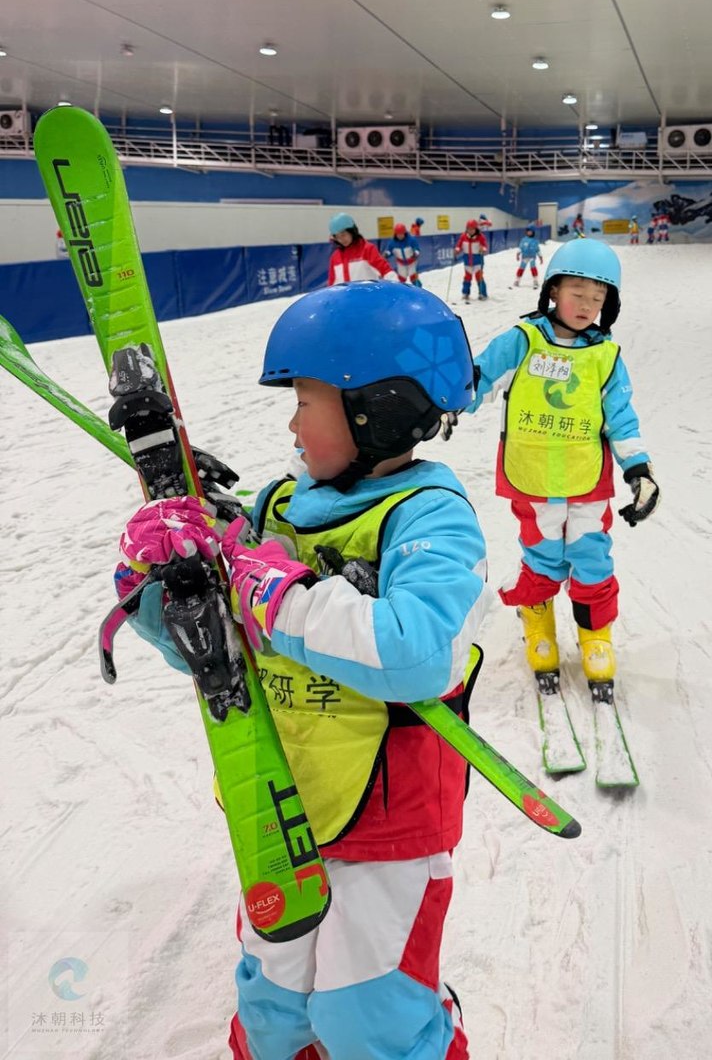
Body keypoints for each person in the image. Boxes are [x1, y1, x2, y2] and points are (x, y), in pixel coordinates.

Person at [111, 283, 490, 1060]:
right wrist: (160, 584)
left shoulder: (428, 516)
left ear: (377, 410)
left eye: (306, 403)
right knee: (275, 1004)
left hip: (387, 819)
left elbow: (420, 651)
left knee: (368, 1017)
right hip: (281, 800)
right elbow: (215, 642)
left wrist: (279, 596)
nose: (291, 424)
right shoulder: (278, 506)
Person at [459, 238, 659, 704]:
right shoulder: (523, 341)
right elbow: (478, 378)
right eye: (577, 293)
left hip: (586, 481)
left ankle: (595, 636)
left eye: (598, 297)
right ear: (552, 290)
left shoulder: (605, 357)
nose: (587, 305)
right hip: (533, 481)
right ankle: (538, 624)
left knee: (592, 560)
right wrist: (446, 406)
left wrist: (639, 470)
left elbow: (621, 418)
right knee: (543, 558)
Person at [327, 212, 396, 285]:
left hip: (368, 292)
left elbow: (386, 271)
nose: (341, 240)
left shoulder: (367, 249)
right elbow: (332, 285)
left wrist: (398, 288)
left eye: (343, 235)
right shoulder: (335, 257)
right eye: (337, 237)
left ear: (352, 231)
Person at [455, 219, 488, 302]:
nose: (470, 231)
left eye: (472, 229)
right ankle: (465, 293)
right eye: (469, 229)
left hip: (478, 262)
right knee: (467, 278)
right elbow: (459, 245)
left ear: (476, 229)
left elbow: (485, 247)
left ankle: (482, 293)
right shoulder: (463, 236)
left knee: (479, 278)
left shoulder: (480, 237)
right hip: (467, 261)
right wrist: (457, 250)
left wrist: (483, 249)